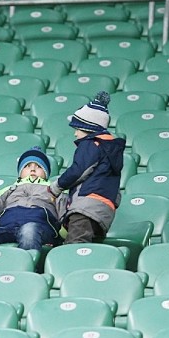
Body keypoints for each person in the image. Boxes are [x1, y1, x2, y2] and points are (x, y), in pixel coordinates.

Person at [48, 92, 125, 243]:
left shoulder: (91, 144)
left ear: (88, 128)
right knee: (88, 250)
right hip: (103, 211)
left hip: (86, 208)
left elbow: (78, 171)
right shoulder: (111, 151)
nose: (75, 134)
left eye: (77, 129)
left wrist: (56, 187)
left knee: (75, 247)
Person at [0, 146, 60, 251]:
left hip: (39, 227)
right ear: (20, 171)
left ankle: (28, 266)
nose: (33, 169)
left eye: (39, 166)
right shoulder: (7, 190)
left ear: (46, 173)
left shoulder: (55, 190)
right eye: (27, 166)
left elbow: (64, 212)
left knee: (29, 230)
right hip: (7, 227)